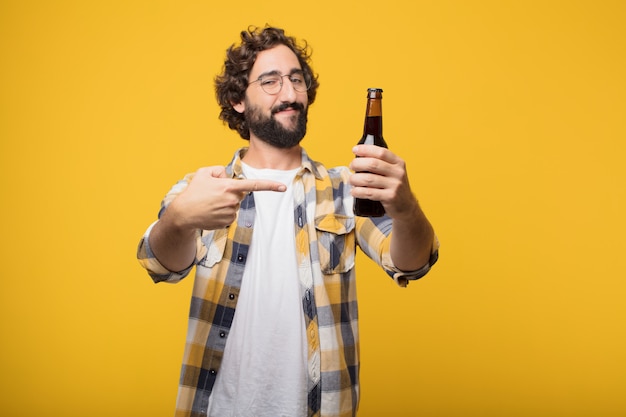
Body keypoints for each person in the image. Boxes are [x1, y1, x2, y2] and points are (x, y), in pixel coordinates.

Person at [137, 25, 439, 417]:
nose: (291, 93)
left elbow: (412, 263)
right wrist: (177, 220)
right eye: (271, 81)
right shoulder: (204, 187)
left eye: (297, 79)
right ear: (237, 100)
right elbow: (160, 263)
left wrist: (405, 208)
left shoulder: (346, 189)